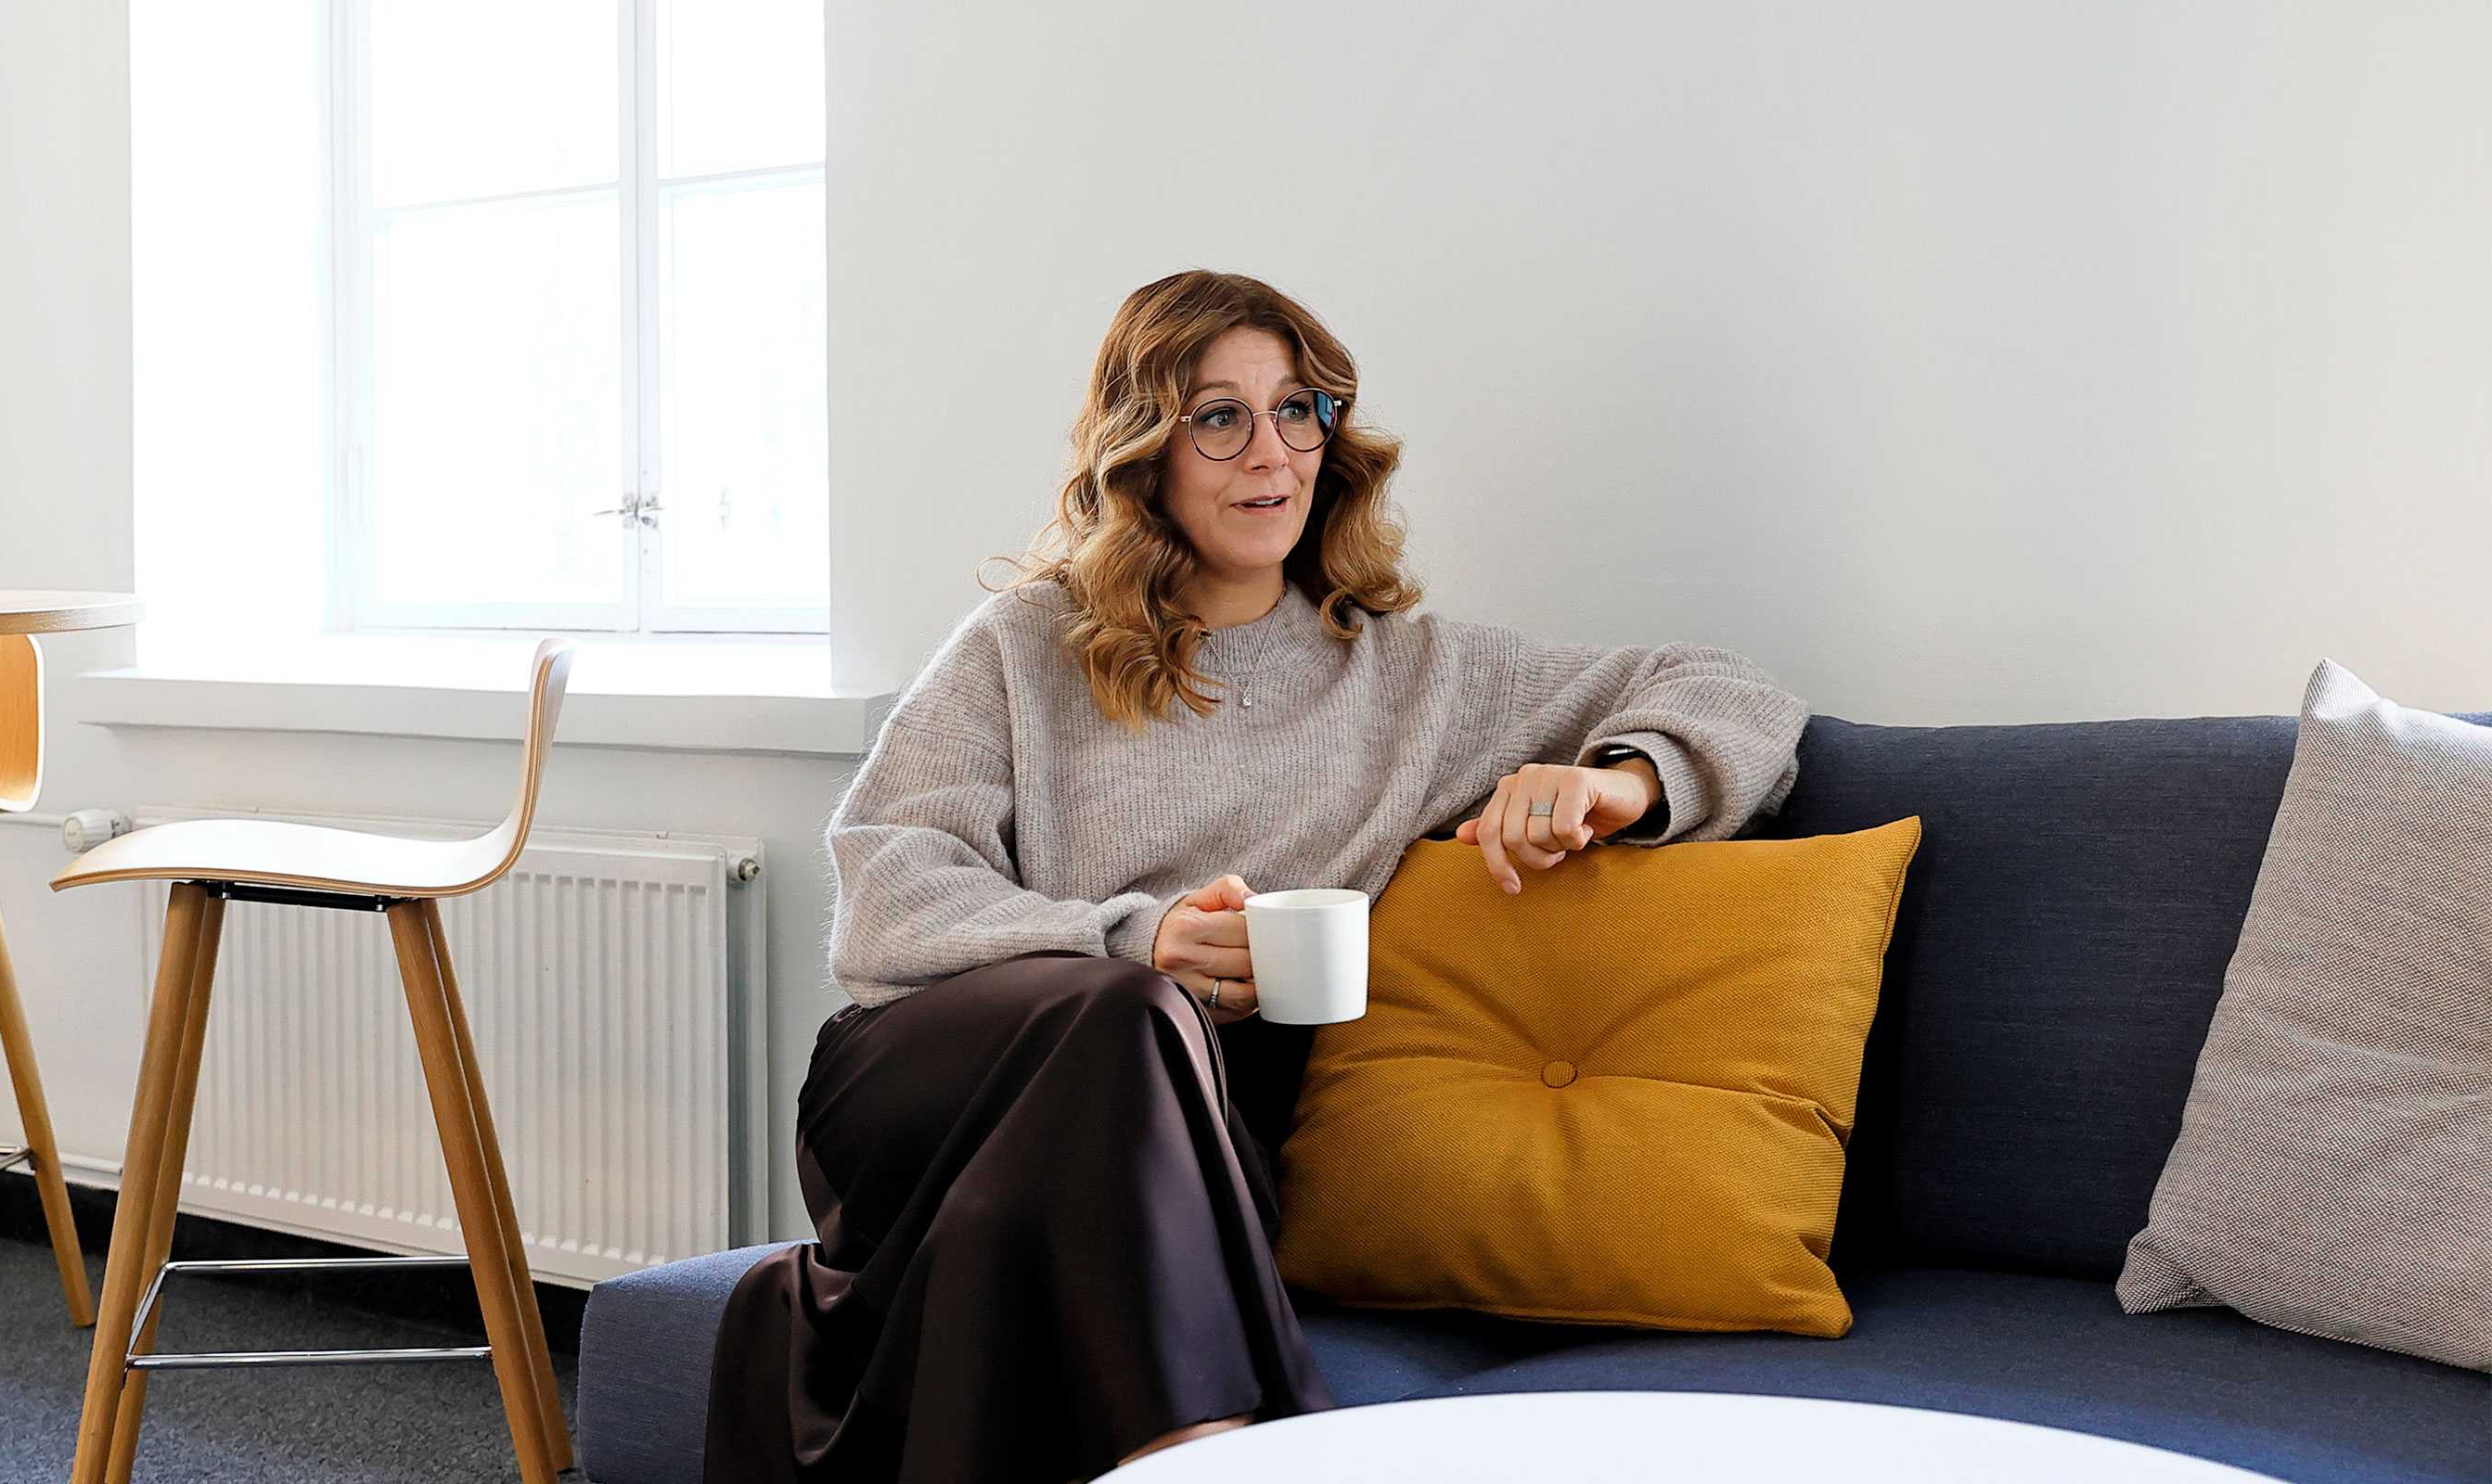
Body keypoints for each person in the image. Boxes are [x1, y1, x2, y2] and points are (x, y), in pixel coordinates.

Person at [701, 269, 1810, 1483]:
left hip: (1187, 1139)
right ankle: (1238, 1447)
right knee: (1133, 1006)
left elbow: (1741, 695)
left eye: (1297, 409)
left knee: (1146, 1033)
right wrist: (1130, 937)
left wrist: (1621, 783)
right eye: (1218, 416)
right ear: (1146, 451)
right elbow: (884, 890)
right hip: (930, 1082)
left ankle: (1200, 1447)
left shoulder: (1409, 679)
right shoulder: (1030, 641)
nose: (1269, 451)